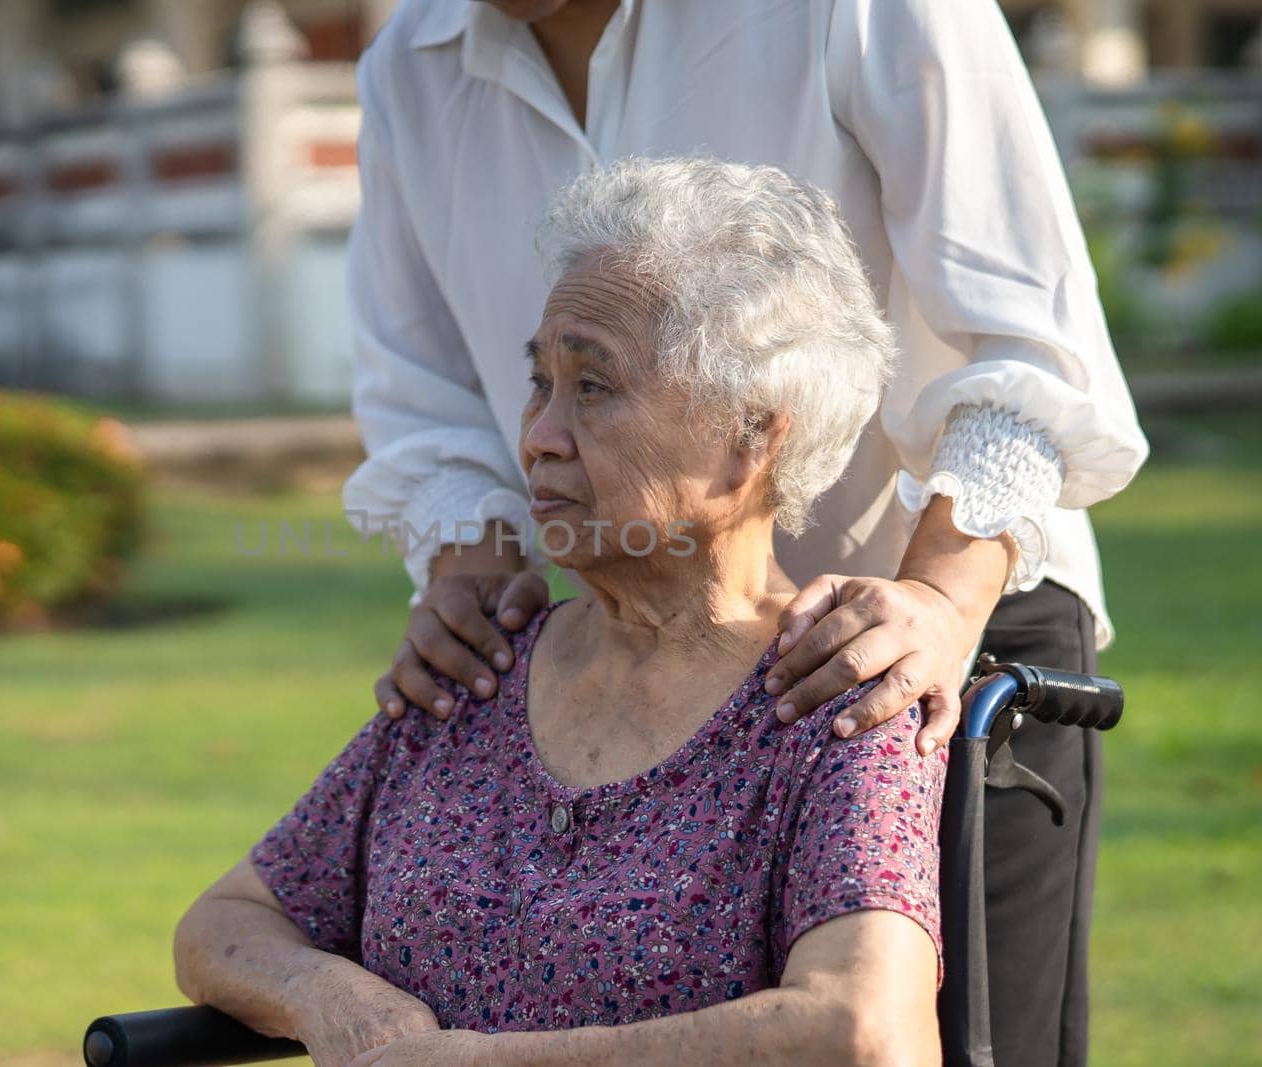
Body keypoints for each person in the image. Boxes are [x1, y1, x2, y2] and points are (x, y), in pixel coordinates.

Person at [341, 2, 1148, 1062]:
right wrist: (473, 570)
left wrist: (939, 605)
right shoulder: (414, 60)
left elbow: (1031, 345)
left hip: (927, 639)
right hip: (643, 667)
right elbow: (425, 391)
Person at [177, 158, 943, 1067]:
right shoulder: (477, 664)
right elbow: (227, 921)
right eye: (540, 381)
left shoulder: (834, 694)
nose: (538, 435)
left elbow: (864, 1030)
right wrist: (325, 993)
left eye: (594, 387)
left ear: (752, 438)